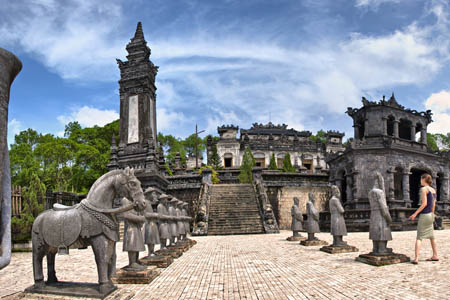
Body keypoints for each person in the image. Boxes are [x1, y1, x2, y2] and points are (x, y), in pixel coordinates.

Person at [409, 173, 439, 264]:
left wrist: (415, 213)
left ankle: (416, 258)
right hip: (431, 214)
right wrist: (433, 214)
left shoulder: (423, 189)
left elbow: (424, 204)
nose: (420, 181)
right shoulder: (433, 190)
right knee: (432, 237)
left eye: (421, 179)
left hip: (425, 215)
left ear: (423, 179)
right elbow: (433, 204)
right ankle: (435, 255)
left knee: (419, 237)